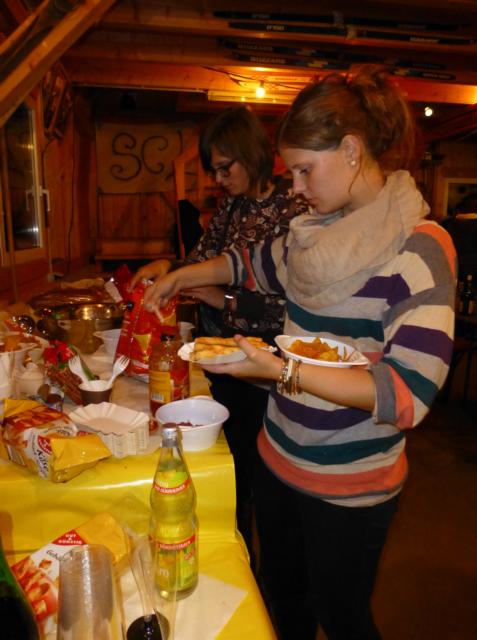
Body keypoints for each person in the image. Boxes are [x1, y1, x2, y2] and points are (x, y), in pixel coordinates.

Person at [141, 65, 457, 639]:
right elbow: (245, 264)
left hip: (349, 485)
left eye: (306, 170)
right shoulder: (310, 235)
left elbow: (408, 393)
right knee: (283, 605)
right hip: (278, 459)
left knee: (342, 619)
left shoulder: (420, 248)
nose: (297, 189)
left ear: (352, 151)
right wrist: (180, 277)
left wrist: (281, 370)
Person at [130, 105, 309, 557]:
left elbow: (292, 308)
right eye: (214, 170)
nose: (218, 179)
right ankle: (232, 552)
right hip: (217, 360)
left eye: (225, 168)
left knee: (257, 480)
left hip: (262, 369)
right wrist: (169, 266)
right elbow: (202, 260)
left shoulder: (293, 207)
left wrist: (221, 299)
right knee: (226, 473)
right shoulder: (232, 205)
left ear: (252, 154)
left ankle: (252, 565)